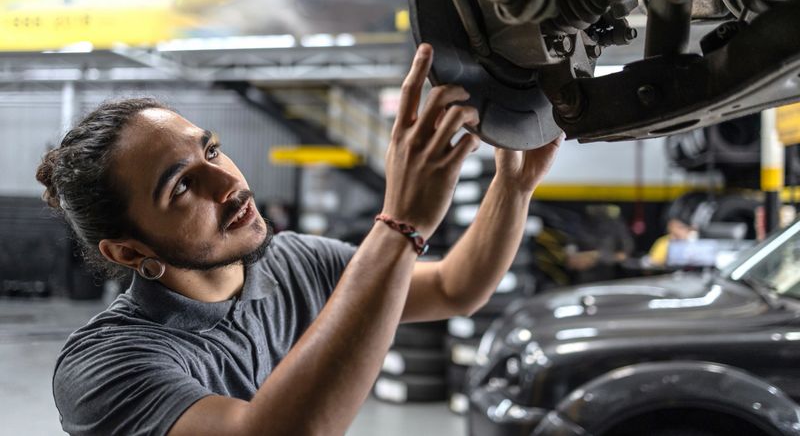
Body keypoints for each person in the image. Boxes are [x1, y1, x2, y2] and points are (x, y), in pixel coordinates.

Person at [38, 44, 562, 436]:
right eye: (182, 185)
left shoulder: (297, 264)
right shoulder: (105, 365)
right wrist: (401, 223)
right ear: (129, 251)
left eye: (213, 152)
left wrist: (513, 187)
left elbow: (454, 288)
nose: (229, 184)